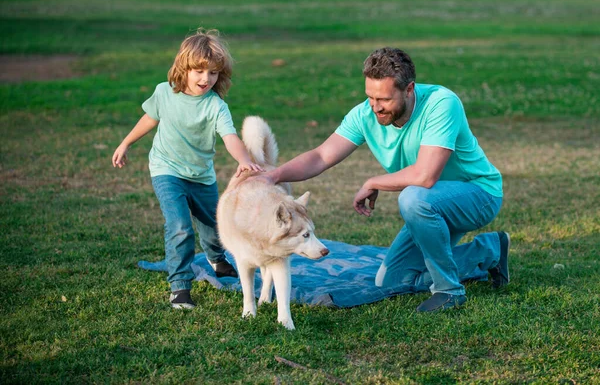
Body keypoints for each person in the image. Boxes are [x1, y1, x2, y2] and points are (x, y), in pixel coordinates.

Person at [259, 47, 510, 312]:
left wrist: (373, 182)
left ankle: (449, 290)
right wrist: (274, 175)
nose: (376, 106)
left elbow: (425, 176)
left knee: (413, 197)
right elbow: (321, 156)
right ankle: (489, 250)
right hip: (431, 201)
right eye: (370, 97)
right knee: (391, 280)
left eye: (384, 99)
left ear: (409, 89)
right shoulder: (366, 114)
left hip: (478, 194)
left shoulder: (441, 103)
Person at [112, 28, 263, 310]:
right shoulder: (163, 93)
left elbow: (230, 137)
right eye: (199, 71)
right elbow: (149, 119)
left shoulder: (216, 106)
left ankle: (217, 260)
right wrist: (126, 143)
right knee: (180, 226)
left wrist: (243, 160)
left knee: (214, 225)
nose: (206, 79)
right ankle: (180, 287)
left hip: (201, 175)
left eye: (214, 73)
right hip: (166, 169)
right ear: (184, 67)